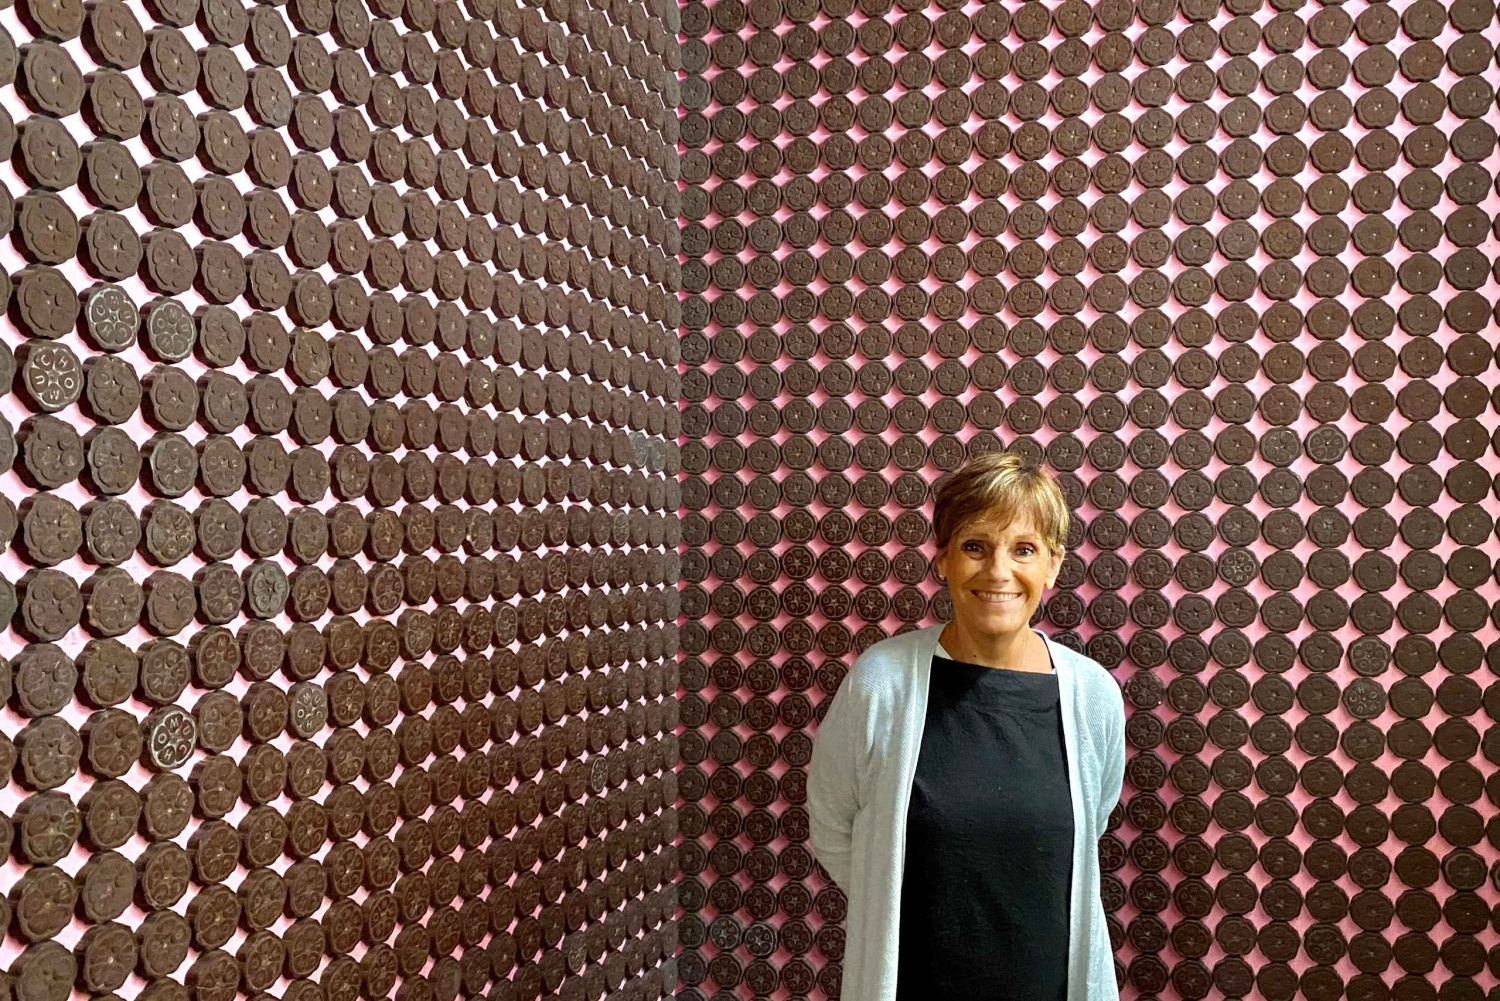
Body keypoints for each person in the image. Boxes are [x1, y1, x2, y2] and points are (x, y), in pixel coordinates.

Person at [808, 450, 1127, 1001]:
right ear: (944, 559)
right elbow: (833, 826)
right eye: (975, 546)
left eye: (1024, 549)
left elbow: (1090, 825)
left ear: (1053, 565)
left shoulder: (1093, 696)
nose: (998, 571)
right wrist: (889, 901)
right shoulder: (882, 682)